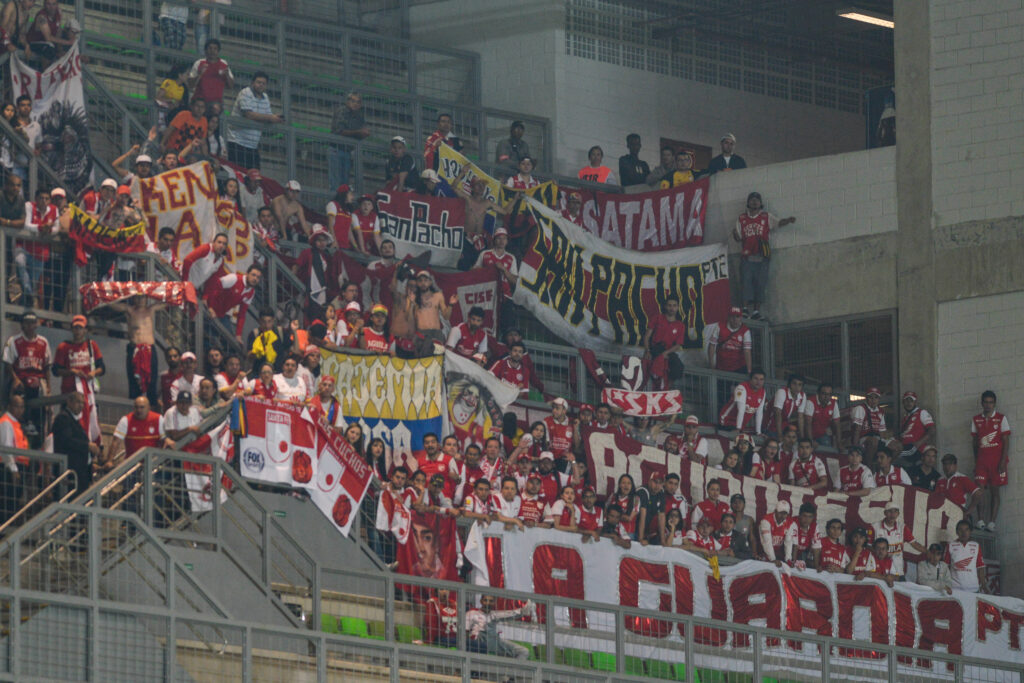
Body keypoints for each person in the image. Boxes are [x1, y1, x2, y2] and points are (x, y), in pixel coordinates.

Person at [732, 191, 795, 320]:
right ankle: (744, 309)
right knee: (746, 282)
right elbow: (738, 238)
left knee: (760, 284)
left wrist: (788, 220)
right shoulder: (742, 219)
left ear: (761, 203)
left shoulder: (766, 217)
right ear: (748, 203)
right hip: (747, 257)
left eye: (757, 200)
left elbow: (778, 223)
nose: (754, 201)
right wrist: (735, 235)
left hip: (762, 257)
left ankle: (756, 311)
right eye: (752, 199)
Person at [52, 314, 103, 440]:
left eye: (80, 328)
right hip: (69, 392)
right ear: (72, 329)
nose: (78, 330)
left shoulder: (92, 345)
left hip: (87, 393)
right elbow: (55, 370)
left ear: (85, 330)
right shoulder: (63, 347)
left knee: (89, 419)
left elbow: (102, 368)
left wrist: (93, 373)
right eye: (75, 328)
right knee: (67, 423)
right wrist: (71, 372)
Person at [2, 311, 49, 443]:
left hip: (39, 380)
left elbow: (47, 367)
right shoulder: (14, 341)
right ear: (22, 325)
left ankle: (38, 428)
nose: (29, 326)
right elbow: (7, 363)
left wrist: (48, 387)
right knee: (23, 387)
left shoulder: (43, 342)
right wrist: (15, 378)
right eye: (27, 323)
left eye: (32, 323)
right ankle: (26, 421)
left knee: (42, 397)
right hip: (21, 378)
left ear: (36, 324)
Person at [226, 71, 283, 169]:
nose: (261, 85)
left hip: (253, 145)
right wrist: (270, 118)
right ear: (253, 83)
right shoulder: (245, 93)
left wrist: (275, 118)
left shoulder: (266, 98)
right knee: (237, 174)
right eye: (258, 82)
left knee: (254, 177)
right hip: (237, 142)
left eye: (263, 83)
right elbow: (249, 114)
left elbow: (267, 116)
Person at [972, 390, 1010, 532]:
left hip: (997, 462)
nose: (988, 405)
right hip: (982, 462)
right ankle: (980, 519)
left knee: (995, 491)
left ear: (994, 404)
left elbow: (1006, 441)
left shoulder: (1001, 418)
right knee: (979, 490)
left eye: (990, 402)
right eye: (985, 402)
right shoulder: (976, 419)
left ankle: (992, 522)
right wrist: (976, 462)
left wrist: (1002, 462)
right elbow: (974, 443)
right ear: (982, 403)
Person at [16, 187, 57, 308]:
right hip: (23, 246)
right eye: (41, 198)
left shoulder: (54, 210)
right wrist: (41, 227)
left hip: (40, 252)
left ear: (50, 200)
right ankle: (28, 295)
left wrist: (49, 230)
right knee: (19, 263)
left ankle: (23, 309)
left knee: (32, 282)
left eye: (47, 198)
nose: (44, 201)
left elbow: (57, 228)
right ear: (36, 199)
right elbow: (27, 225)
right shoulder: (29, 205)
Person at [51, 392, 97, 495]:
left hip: (79, 472)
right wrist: (87, 446)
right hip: (70, 471)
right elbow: (67, 441)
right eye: (78, 402)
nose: (81, 405)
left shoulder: (74, 420)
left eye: (82, 403)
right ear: (69, 402)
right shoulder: (63, 418)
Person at [204, 264, 262, 341]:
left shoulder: (251, 292)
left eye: (258, 277)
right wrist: (210, 307)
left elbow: (242, 314)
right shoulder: (234, 278)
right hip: (207, 308)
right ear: (247, 274)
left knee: (230, 342)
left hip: (221, 315)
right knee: (206, 335)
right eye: (253, 275)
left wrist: (238, 335)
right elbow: (214, 287)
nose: (255, 279)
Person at [465, 594, 532, 660]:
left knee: (524, 652)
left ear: (494, 603)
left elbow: (507, 614)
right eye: (486, 600)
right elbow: (464, 631)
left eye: (491, 601)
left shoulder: (494, 614)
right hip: (478, 641)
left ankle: (512, 670)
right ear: (481, 601)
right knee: (489, 623)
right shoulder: (472, 613)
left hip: (493, 641)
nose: (488, 603)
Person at [642, 296, 686, 389]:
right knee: (650, 367)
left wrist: (666, 353)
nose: (672, 308)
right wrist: (647, 351)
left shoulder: (680, 325)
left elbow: (678, 344)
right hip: (655, 348)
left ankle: (665, 389)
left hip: (668, 351)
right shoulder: (657, 318)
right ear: (665, 307)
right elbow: (647, 336)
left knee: (679, 367)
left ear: (678, 307)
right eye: (669, 305)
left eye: (674, 306)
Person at [872, 500, 925, 578]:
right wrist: (883, 553)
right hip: (879, 571)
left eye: (895, 511)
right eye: (890, 511)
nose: (892, 515)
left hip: (898, 571)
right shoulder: (874, 527)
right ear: (885, 513)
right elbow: (868, 547)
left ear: (898, 514)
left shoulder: (902, 528)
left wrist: (927, 552)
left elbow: (914, 544)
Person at [292, 226, 334, 323]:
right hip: (307, 289)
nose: (322, 243)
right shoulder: (307, 252)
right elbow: (296, 265)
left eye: (324, 240)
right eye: (319, 240)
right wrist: (294, 278)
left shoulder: (327, 256)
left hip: (323, 290)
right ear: (314, 241)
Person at [329, 92, 370, 189]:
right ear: (347, 102)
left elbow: (359, 133)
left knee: (344, 183)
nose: (355, 104)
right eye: (353, 101)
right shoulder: (342, 111)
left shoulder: (359, 116)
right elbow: (339, 131)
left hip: (347, 151)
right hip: (336, 149)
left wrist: (364, 134)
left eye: (358, 102)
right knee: (335, 182)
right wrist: (359, 132)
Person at [109, 397, 164, 469]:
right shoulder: (126, 420)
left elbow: (165, 441)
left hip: (153, 464)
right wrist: (109, 461)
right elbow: (116, 442)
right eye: (136, 407)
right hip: (131, 465)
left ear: (148, 408)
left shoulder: (159, 419)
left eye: (142, 407)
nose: (139, 410)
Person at [409, 269, 454, 350]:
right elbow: (409, 319)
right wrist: (411, 304)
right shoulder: (414, 297)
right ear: (417, 283)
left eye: (425, 280)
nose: (423, 283)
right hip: (421, 333)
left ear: (430, 282)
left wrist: (451, 304)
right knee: (422, 360)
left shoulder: (438, 296)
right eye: (420, 280)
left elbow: (446, 317)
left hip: (436, 333)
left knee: (438, 359)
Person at [935, 453, 983, 523]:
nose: (947, 467)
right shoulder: (940, 480)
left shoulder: (962, 478)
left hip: (957, 515)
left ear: (955, 466)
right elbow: (935, 499)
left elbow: (978, 494)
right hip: (941, 516)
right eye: (945, 464)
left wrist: (968, 512)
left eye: (950, 464)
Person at [474, 227, 518, 300]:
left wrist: (504, 269)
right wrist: (485, 270)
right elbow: (474, 271)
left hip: (505, 295)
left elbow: (515, 281)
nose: (502, 241)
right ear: (494, 240)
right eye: (499, 238)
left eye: (504, 238)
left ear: (507, 241)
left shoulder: (511, 258)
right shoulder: (484, 254)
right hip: (485, 294)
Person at [718, 368, 767, 434]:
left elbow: (759, 413)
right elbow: (741, 410)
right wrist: (738, 429)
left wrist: (758, 432)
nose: (758, 382)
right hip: (726, 421)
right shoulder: (741, 388)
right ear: (750, 379)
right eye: (756, 378)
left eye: (761, 379)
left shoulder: (763, 392)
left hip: (740, 426)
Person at [187, 39, 234, 108]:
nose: (212, 51)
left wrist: (227, 75)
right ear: (205, 50)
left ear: (218, 51)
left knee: (216, 108)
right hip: (198, 100)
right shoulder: (199, 63)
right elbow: (190, 85)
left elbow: (231, 86)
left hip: (216, 102)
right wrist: (199, 74)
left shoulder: (224, 64)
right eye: (210, 48)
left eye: (215, 48)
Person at [944, 520, 987, 593]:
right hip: (955, 589)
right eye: (961, 530)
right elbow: (945, 567)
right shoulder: (950, 545)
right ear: (957, 532)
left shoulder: (976, 546)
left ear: (970, 532)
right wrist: (946, 585)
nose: (964, 533)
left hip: (973, 589)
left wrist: (984, 585)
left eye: (966, 530)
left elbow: (980, 567)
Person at [707, 306, 752, 374]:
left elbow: (747, 351)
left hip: (738, 367)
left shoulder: (745, 331)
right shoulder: (719, 326)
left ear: (741, 318)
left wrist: (749, 370)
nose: (735, 319)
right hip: (721, 366)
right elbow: (712, 346)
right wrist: (711, 364)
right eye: (732, 316)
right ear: (728, 317)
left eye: (737, 317)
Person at [0, 394, 25, 519]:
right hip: (8, 469)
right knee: (8, 504)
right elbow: (6, 448)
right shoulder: (6, 423)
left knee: (12, 504)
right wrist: (14, 470)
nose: (20, 410)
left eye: (22, 407)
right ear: (9, 406)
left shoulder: (13, 423)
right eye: (17, 406)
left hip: (14, 467)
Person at [850, 387, 886, 464]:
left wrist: (884, 443)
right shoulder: (861, 408)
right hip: (863, 439)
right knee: (873, 442)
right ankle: (868, 467)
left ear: (879, 399)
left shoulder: (881, 411)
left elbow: (882, 432)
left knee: (896, 446)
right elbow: (857, 430)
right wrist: (855, 449)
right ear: (866, 398)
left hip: (876, 438)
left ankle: (882, 468)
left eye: (876, 397)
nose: (873, 400)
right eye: (871, 397)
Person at [897, 390, 935, 465]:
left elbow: (932, 430)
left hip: (915, 449)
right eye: (906, 401)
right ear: (903, 403)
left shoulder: (922, 412)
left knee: (891, 457)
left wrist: (919, 443)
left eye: (911, 401)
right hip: (905, 447)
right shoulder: (905, 417)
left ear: (915, 402)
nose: (908, 403)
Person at [10, 95, 39, 182]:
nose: (26, 108)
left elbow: (38, 145)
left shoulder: (36, 126)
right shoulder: (12, 124)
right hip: (15, 165)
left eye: (28, 105)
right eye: (23, 105)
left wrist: (38, 151)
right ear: (18, 108)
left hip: (31, 166)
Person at [803, 383, 842, 448]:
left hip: (822, 435)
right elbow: (807, 423)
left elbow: (837, 424)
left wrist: (839, 442)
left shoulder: (834, 403)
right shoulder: (810, 402)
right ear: (818, 393)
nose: (826, 397)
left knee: (827, 449)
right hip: (808, 435)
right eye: (824, 394)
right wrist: (810, 441)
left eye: (829, 394)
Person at [759, 499, 794, 566]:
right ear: (775, 511)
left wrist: (788, 560)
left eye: (785, 513)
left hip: (777, 554)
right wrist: (773, 559)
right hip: (763, 553)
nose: (782, 516)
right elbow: (767, 542)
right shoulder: (766, 521)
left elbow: (788, 542)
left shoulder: (790, 523)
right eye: (780, 513)